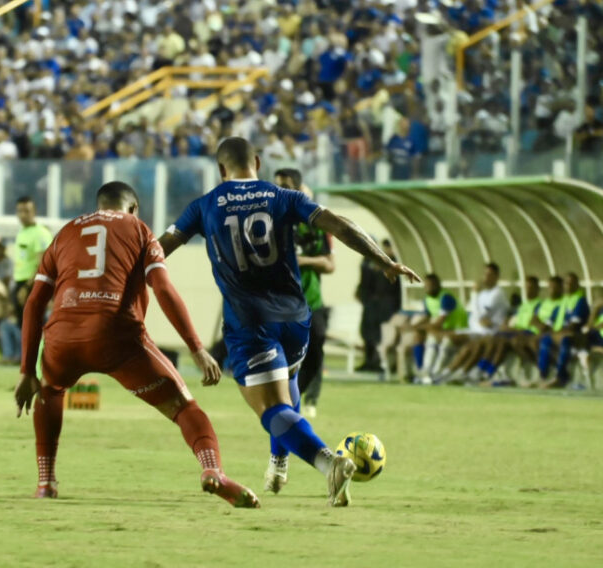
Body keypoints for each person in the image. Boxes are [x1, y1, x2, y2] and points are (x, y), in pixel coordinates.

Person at [157, 137, 420, 506]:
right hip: (296, 318)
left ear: (221, 169)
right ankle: (279, 461)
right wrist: (385, 261)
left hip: (251, 324)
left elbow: (160, 248)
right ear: (258, 162)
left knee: (271, 409)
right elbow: (340, 225)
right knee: (289, 382)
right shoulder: (285, 197)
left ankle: (329, 463)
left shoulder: (204, 205)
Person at [14, 181, 259, 507]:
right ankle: (212, 470)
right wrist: (197, 349)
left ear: (98, 205)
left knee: (51, 390)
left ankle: (46, 482)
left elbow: (33, 304)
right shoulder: (139, 230)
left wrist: (26, 370)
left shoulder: (65, 232)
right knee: (186, 408)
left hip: (62, 339)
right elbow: (163, 290)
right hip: (117, 337)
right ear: (133, 209)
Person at [275, 168, 333, 419]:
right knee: (286, 359)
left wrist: (302, 261)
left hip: (311, 299)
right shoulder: (271, 221)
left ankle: (307, 399)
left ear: (299, 188)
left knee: (316, 349)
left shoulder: (316, 223)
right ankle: (286, 406)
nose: (280, 191)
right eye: (277, 186)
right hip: (281, 302)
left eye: (286, 185)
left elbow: (330, 265)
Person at [355, 238, 404, 372]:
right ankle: (369, 361)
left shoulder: (396, 264)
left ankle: (381, 363)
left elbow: (397, 288)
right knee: (367, 331)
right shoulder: (372, 262)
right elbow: (366, 281)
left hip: (387, 304)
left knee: (382, 334)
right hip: (372, 303)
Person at [410, 274, 468, 383]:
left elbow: (439, 323)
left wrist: (421, 327)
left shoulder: (446, 298)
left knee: (438, 338)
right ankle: (422, 371)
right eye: (426, 285)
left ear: (438, 285)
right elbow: (427, 316)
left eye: (431, 285)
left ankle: (436, 373)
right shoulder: (427, 299)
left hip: (459, 330)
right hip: (445, 330)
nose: (428, 287)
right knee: (419, 336)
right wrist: (414, 327)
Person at [542, 272, 591, 388]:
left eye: (571, 283)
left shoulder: (580, 301)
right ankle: (543, 376)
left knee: (565, 340)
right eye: (566, 283)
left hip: (576, 337)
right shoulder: (563, 301)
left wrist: (556, 333)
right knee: (544, 340)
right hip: (560, 334)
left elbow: (574, 325)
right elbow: (550, 322)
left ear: (577, 285)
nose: (567, 286)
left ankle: (561, 376)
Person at [13, 196, 52, 324]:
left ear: (34, 212)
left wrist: (27, 287)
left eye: (27, 211)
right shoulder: (22, 232)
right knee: (23, 326)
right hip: (20, 282)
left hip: (32, 284)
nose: (23, 215)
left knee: (34, 326)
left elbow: (42, 265)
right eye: (20, 211)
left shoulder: (40, 233)